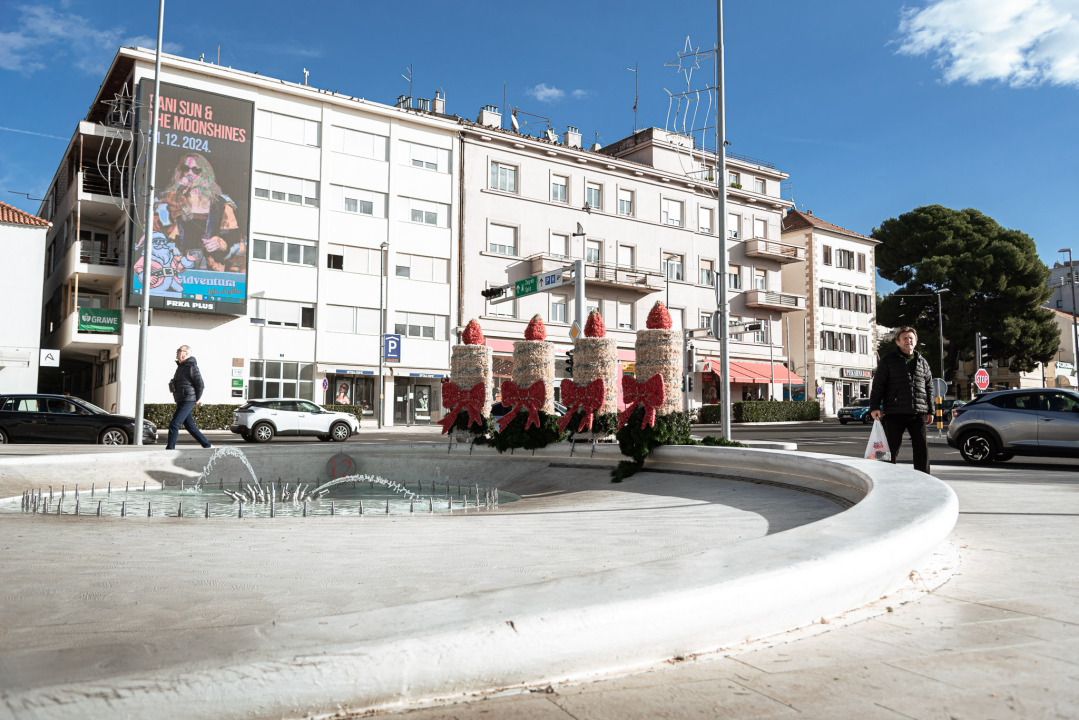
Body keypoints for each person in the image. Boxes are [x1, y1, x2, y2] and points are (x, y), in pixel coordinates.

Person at [869, 326, 935, 474]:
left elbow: (929, 387)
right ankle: (884, 475)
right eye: (904, 338)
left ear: (916, 341)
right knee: (889, 449)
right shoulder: (888, 360)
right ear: (898, 342)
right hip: (894, 412)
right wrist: (874, 406)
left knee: (921, 449)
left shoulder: (922, 362)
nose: (908, 340)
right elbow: (878, 385)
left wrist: (931, 410)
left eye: (911, 338)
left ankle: (924, 478)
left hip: (918, 413)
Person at [166, 345, 212, 450]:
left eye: (179, 350)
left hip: (187, 399)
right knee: (190, 426)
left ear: (186, 353)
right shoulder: (181, 366)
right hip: (182, 399)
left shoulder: (191, 366)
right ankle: (207, 445)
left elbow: (200, 383)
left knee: (174, 424)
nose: (177, 352)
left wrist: (197, 398)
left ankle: (170, 450)